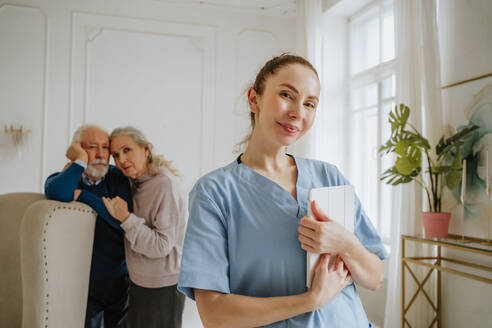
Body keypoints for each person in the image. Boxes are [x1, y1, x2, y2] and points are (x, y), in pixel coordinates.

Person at [177, 54, 388, 327]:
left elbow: (374, 277)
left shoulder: (329, 176)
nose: (298, 112)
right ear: (254, 99)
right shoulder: (214, 193)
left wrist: (346, 243)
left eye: (310, 104)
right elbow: (214, 314)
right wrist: (312, 300)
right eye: (287, 95)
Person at [95, 126, 187, 328]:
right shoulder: (133, 183)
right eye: (116, 155)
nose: (121, 160)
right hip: (138, 282)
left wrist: (126, 218)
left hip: (163, 286)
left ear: (146, 150)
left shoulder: (165, 185)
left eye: (127, 150)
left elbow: (161, 245)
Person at [44, 125, 132, 328]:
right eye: (92, 147)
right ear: (78, 150)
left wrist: (85, 197)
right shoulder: (70, 175)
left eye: (105, 147)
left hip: (118, 278)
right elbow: (57, 192)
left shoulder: (117, 177)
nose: (101, 154)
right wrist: (80, 162)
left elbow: (121, 221)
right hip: (81, 279)